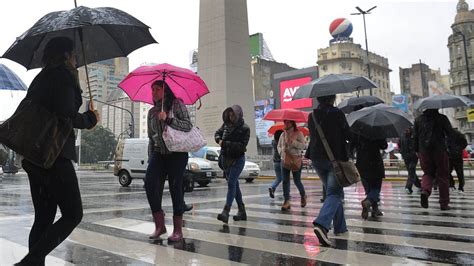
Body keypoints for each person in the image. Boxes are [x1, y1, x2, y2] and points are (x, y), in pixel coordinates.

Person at [16, 37, 99, 266]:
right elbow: (66, 114)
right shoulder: (62, 76)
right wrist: (89, 118)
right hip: (54, 155)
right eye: (74, 55)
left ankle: (33, 263)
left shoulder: (41, 77)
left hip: (34, 156)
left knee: (43, 219)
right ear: (66, 54)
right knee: (73, 214)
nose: (76, 59)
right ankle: (29, 262)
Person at [145, 80, 192, 242]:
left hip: (177, 153)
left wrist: (169, 120)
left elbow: (188, 125)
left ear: (165, 91)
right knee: (149, 183)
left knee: (175, 187)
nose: (154, 92)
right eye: (152, 90)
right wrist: (151, 157)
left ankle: (178, 229)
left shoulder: (176, 104)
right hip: (159, 153)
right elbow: (151, 138)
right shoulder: (151, 112)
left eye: (157, 89)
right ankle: (160, 225)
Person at [308, 94, 351, 247]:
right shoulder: (337, 113)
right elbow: (348, 135)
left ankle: (340, 227)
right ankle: (322, 224)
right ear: (332, 98)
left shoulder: (311, 115)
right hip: (334, 158)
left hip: (316, 158)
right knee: (334, 193)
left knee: (332, 191)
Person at [413, 108, 455, 210]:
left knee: (428, 173)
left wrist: (417, 150)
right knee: (443, 176)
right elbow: (450, 133)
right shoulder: (442, 118)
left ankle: (426, 191)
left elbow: (414, 137)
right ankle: (444, 203)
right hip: (439, 150)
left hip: (424, 151)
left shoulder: (418, 120)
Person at [215, 105, 250, 224]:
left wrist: (226, 143)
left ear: (239, 114)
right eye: (230, 114)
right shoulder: (225, 125)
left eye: (233, 114)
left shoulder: (245, 128)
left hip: (237, 160)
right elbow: (217, 134)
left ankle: (226, 211)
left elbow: (242, 146)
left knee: (231, 183)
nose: (231, 116)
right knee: (235, 185)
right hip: (226, 160)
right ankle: (242, 210)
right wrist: (219, 140)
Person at [351, 135, 387, 219]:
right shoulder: (377, 130)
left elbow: (351, 147)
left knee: (368, 189)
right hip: (375, 163)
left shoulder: (357, 131)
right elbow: (384, 146)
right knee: (375, 189)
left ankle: (375, 209)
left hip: (362, 163)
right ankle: (368, 201)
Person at [278, 120, 307, 210]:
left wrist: (293, 142)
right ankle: (287, 201)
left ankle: (303, 195)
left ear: (292, 123)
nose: (285, 124)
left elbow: (303, 146)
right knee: (285, 181)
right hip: (284, 160)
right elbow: (278, 146)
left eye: (288, 122)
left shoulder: (299, 134)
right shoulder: (283, 135)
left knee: (297, 181)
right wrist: (281, 153)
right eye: (285, 122)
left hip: (295, 160)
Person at [400, 127, 421, 194]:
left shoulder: (414, 136)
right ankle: (419, 185)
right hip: (406, 157)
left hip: (413, 157)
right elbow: (400, 146)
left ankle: (408, 187)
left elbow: (417, 145)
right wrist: (402, 153)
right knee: (411, 172)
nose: (407, 130)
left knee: (411, 171)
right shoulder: (402, 137)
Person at [447, 128, 467, 193]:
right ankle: (452, 185)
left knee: (459, 172)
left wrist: (457, 149)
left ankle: (461, 187)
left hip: (457, 157)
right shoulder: (445, 134)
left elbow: (464, 143)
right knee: (447, 171)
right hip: (449, 157)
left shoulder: (458, 134)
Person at [268, 129, 284, 198]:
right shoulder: (281, 143)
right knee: (284, 178)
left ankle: (272, 188)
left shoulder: (273, 142)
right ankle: (285, 192)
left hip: (275, 162)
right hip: (281, 161)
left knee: (279, 178)